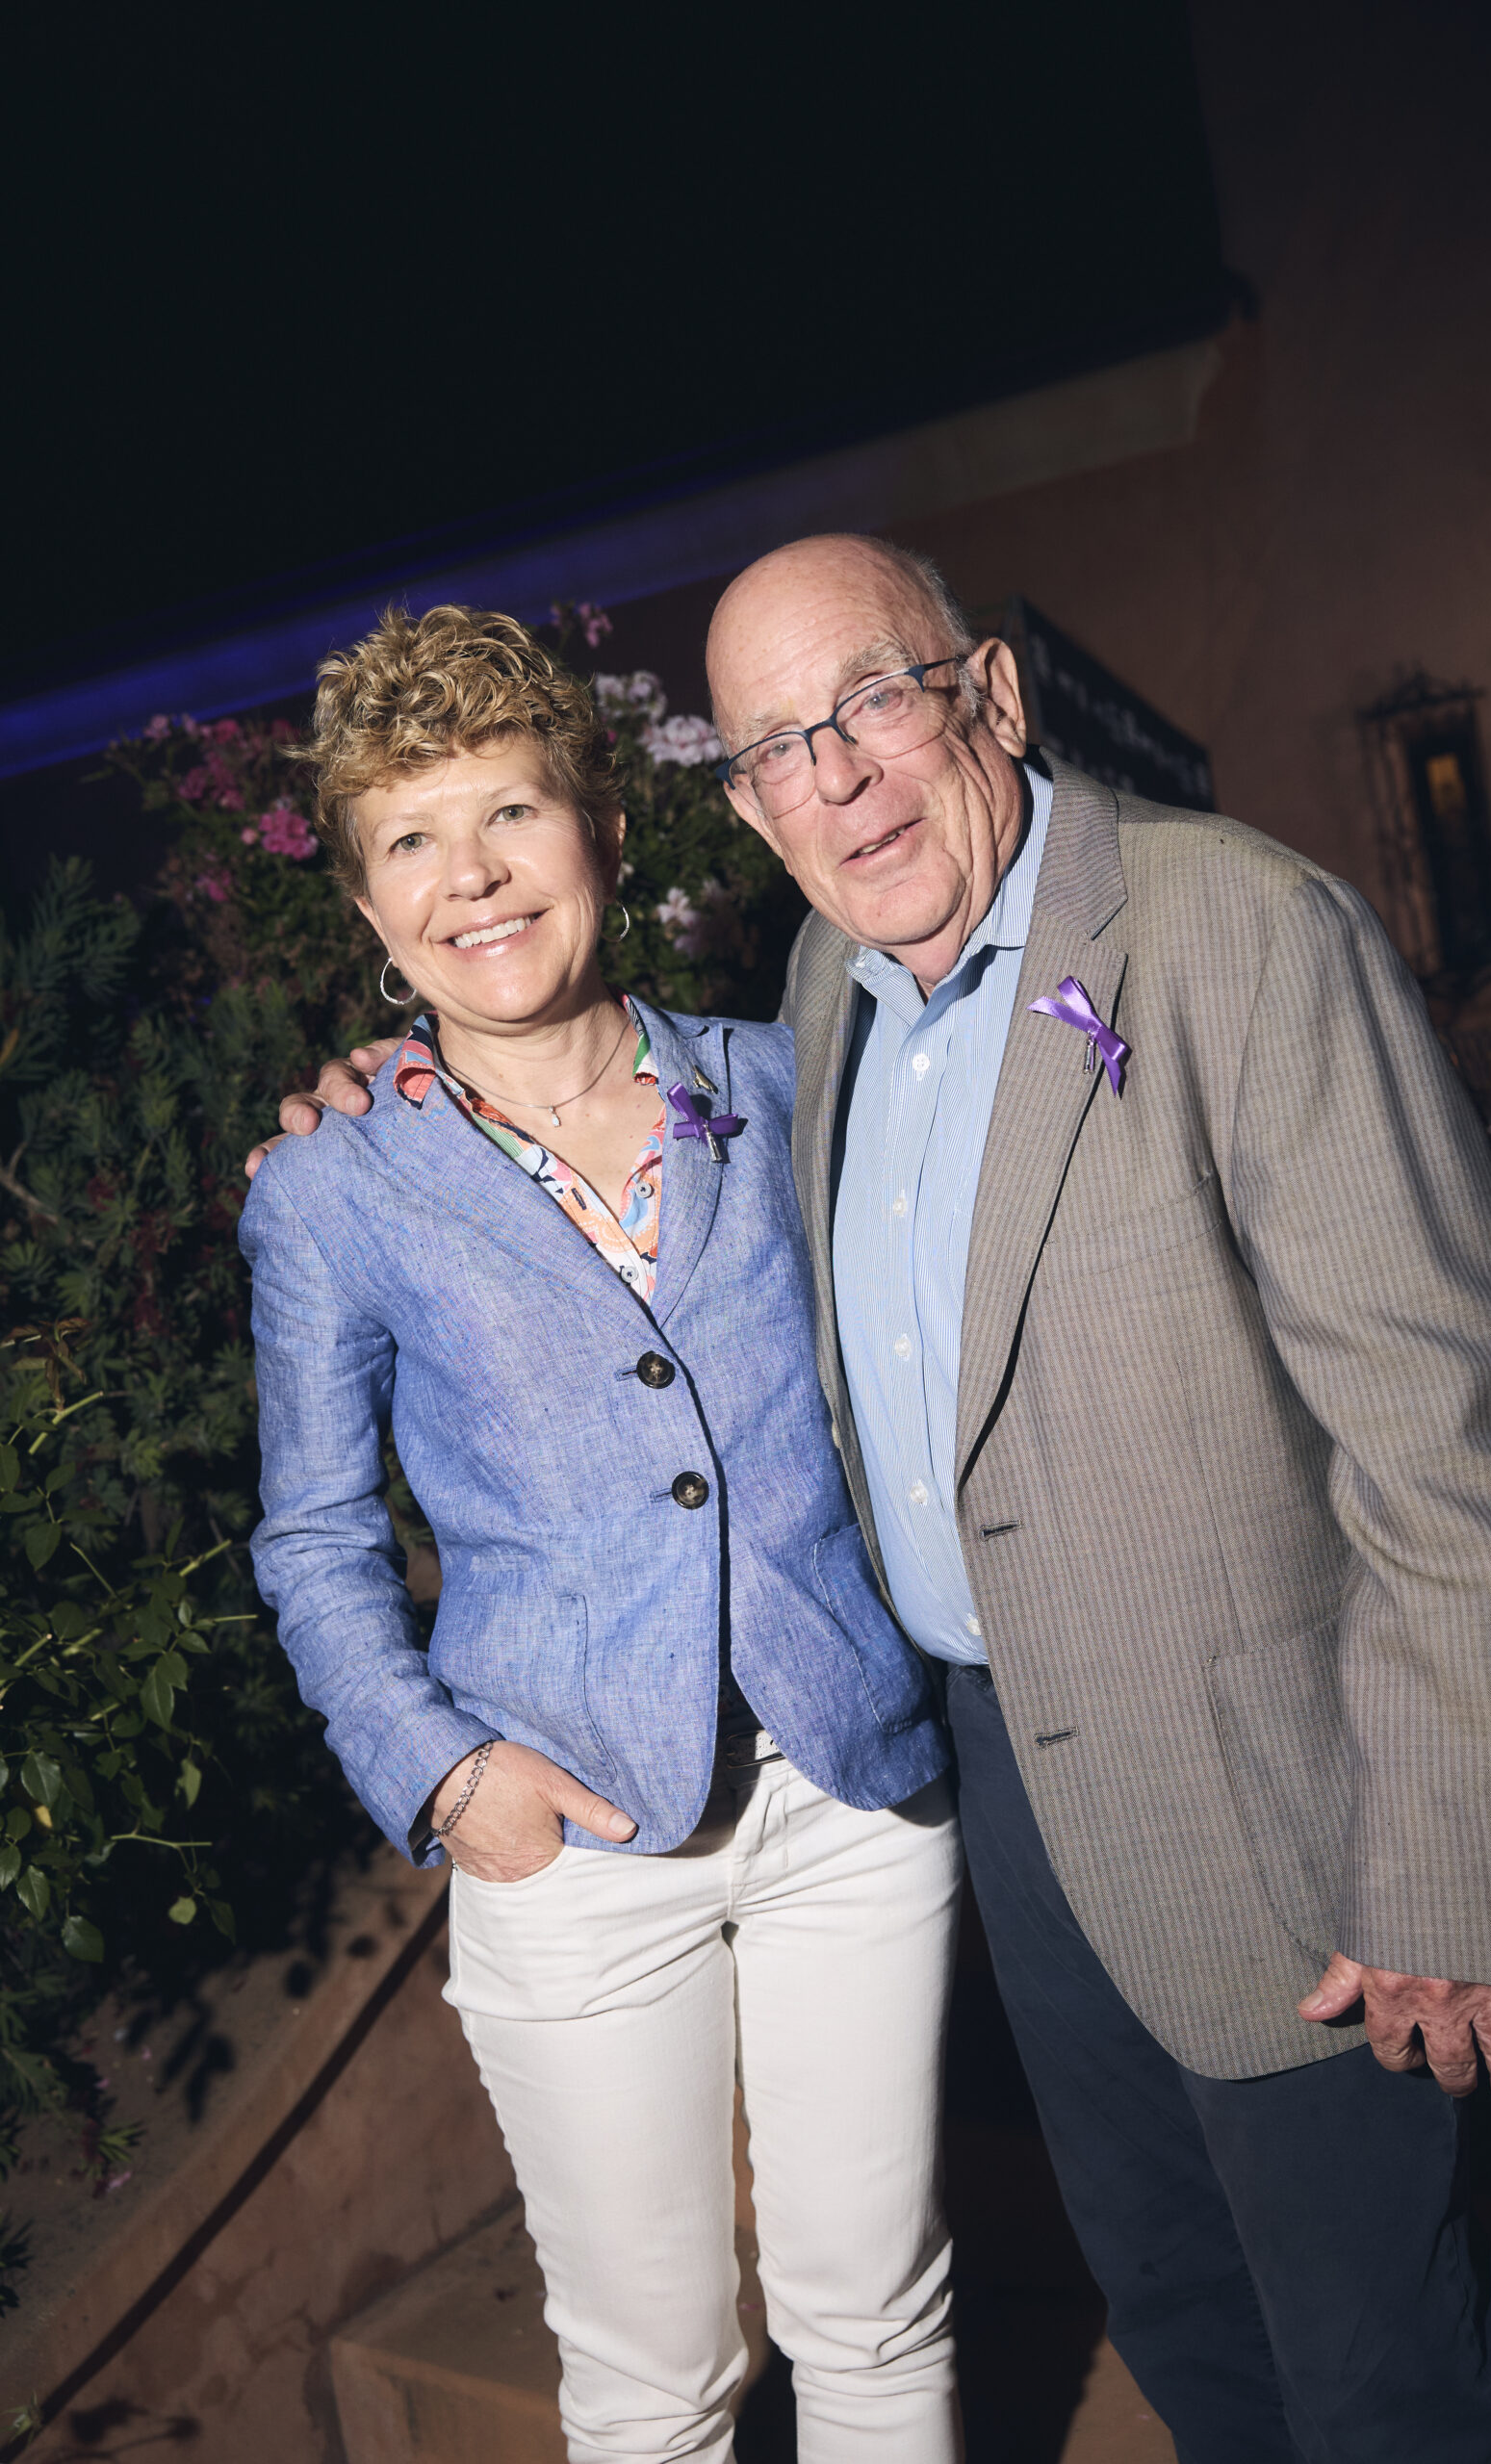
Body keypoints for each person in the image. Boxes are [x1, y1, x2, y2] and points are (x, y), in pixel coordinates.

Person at [264, 538, 1491, 2464]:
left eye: (871, 699)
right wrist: (442, 1768)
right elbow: (315, 1528)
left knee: (1275, 2363)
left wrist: (1449, 1854)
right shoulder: (713, 1042)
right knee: (1119, 2323)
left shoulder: (1005, 988)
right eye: (779, 744)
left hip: (1058, 1805)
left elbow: (1442, 1425)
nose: (838, 773)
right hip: (807, 1816)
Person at [239, 603, 962, 2464]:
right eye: (413, 838)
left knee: (876, 2315)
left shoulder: (789, 1078)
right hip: (570, 1842)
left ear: (606, 836)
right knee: (656, 2386)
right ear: (370, 906)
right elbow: (312, 1538)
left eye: (511, 812)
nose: (472, 875)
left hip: (849, 1800)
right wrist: (439, 1768)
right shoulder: (331, 1186)